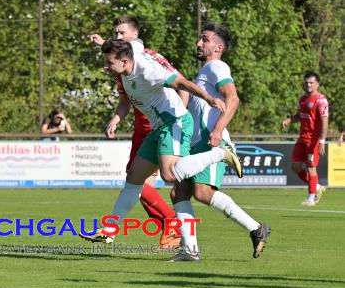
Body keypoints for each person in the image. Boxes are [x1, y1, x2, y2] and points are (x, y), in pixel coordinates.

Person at [79, 38, 242, 244]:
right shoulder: (131, 52)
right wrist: (103, 42)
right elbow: (135, 40)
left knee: (169, 174)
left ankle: (222, 153)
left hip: (175, 122)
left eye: (110, 62)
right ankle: (110, 230)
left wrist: (209, 99)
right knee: (133, 180)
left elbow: (181, 82)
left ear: (125, 61)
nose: (106, 66)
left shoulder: (148, 71)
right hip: (159, 127)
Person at [169, 23, 270, 261]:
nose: (199, 43)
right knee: (179, 193)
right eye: (199, 39)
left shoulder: (216, 65)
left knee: (203, 193)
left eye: (204, 39)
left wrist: (217, 130)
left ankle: (256, 229)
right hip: (196, 142)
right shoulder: (204, 72)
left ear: (218, 47)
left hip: (211, 141)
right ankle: (190, 251)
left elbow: (233, 98)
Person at [90, 16, 182, 248]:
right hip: (141, 128)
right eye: (115, 34)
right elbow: (124, 102)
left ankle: (172, 223)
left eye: (122, 33)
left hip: (157, 125)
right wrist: (115, 119)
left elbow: (179, 81)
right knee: (138, 184)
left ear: (135, 34)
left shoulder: (147, 59)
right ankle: (170, 228)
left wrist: (181, 114)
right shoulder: (120, 66)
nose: (117, 37)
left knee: (141, 183)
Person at [281, 71, 328, 206]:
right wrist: (289, 120)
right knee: (295, 167)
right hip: (302, 139)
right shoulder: (303, 99)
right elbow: (300, 115)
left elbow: (325, 121)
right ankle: (317, 187)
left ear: (317, 84)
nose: (308, 85)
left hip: (313, 141)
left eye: (311, 83)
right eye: (307, 82)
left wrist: (322, 141)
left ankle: (311, 198)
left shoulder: (321, 100)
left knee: (311, 168)